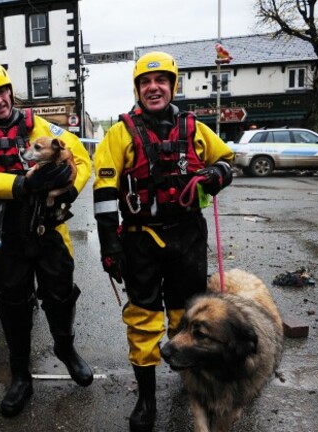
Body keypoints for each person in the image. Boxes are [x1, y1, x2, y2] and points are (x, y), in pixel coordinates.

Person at [92, 51, 234, 432]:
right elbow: (105, 191)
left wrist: (216, 175)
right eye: (145, 82)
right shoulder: (119, 133)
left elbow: (225, 161)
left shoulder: (195, 128)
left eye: (161, 81)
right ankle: (146, 398)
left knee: (187, 315)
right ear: (137, 89)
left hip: (188, 236)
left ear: (173, 85)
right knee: (143, 317)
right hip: (141, 239)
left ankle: (191, 381)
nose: (153, 88)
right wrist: (109, 245)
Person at [0, 62, 94, 417]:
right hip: (6, 234)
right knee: (14, 305)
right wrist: (22, 184)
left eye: (3, 91)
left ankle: (66, 349)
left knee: (61, 295)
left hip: (48, 229)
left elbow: (80, 157)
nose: (0, 100)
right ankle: (20, 376)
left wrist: (68, 191)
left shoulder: (39, 126)